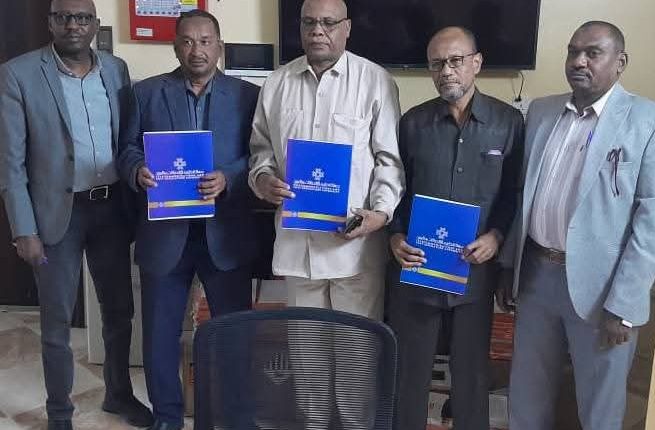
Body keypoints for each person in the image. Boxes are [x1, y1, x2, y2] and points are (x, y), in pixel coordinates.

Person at [499, 21, 655, 430]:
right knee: (526, 398)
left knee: (600, 411)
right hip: (536, 278)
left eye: (592, 53)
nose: (579, 61)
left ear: (620, 62)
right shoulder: (542, 111)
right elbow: (522, 195)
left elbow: (654, 222)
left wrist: (625, 304)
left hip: (604, 291)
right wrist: (510, 266)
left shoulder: (653, 121)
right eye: (573, 51)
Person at [248, 0, 403, 428]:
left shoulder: (375, 81)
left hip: (354, 248)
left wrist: (380, 213)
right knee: (307, 358)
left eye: (329, 22)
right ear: (300, 28)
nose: (318, 30)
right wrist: (263, 179)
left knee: (356, 357)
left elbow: (389, 160)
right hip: (298, 249)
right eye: (310, 22)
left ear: (347, 28)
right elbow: (260, 150)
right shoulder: (276, 84)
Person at [0, 1, 152, 429]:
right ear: (50, 22)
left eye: (82, 17)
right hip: (55, 216)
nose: (73, 25)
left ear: (95, 24)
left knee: (118, 312)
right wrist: (23, 229)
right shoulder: (18, 74)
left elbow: (128, 138)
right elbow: (10, 164)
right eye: (63, 17)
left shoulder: (116, 69)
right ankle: (60, 413)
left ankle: (118, 395)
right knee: (56, 322)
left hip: (111, 209)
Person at [117, 10, 260, 430]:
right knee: (160, 336)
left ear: (220, 46)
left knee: (233, 336)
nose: (197, 50)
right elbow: (126, 149)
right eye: (187, 41)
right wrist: (137, 170)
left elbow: (261, 155)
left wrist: (229, 177)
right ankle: (167, 419)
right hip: (165, 234)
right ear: (175, 46)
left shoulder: (248, 96)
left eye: (205, 41)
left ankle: (233, 419)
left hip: (225, 234)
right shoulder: (145, 93)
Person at [387, 27, 524, 430]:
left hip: (474, 272)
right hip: (417, 270)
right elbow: (396, 189)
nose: (446, 70)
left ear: (476, 63)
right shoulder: (412, 123)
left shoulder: (508, 122)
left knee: (471, 376)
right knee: (409, 375)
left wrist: (496, 236)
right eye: (437, 63)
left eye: (455, 60)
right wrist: (395, 235)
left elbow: (514, 193)